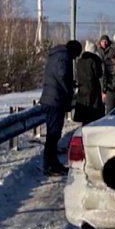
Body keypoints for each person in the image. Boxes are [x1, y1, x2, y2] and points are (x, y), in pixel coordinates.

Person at [39, 40, 82, 176]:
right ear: (73, 51)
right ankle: (49, 165)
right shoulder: (64, 57)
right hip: (55, 100)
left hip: (50, 98)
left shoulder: (55, 54)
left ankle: (53, 163)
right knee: (53, 134)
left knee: (53, 134)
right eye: (76, 56)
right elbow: (62, 75)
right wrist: (69, 88)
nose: (74, 59)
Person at [73, 41, 104, 125]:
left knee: (85, 114)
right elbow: (99, 74)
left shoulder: (79, 61)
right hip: (93, 89)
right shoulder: (94, 60)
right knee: (94, 115)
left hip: (82, 89)